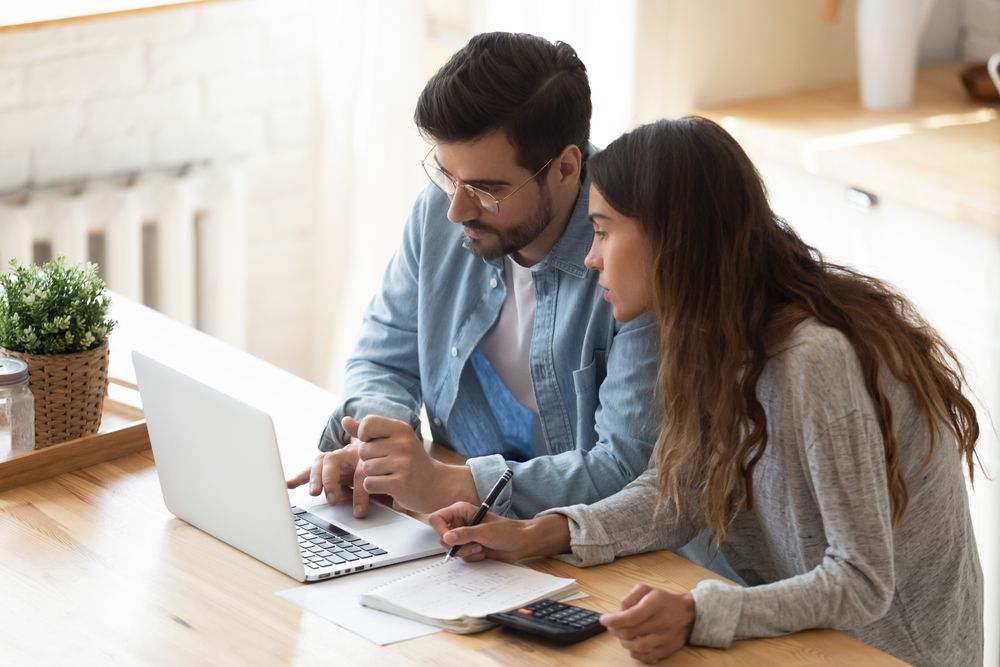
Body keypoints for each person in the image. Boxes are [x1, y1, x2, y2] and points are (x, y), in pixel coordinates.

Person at [428, 117, 984, 667]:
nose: (591, 256)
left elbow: (862, 582)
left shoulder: (813, 359)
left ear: (674, 238)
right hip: (807, 641)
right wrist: (539, 534)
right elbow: (680, 492)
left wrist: (699, 614)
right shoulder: (710, 336)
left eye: (603, 230)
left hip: (889, 654)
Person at [285, 32, 663, 526]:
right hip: (459, 528)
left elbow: (626, 471)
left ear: (566, 168)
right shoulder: (440, 209)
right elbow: (385, 355)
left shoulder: (639, 251)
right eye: (446, 175)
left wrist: (448, 483)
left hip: (585, 546)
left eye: (486, 190)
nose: (456, 209)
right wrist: (381, 447)